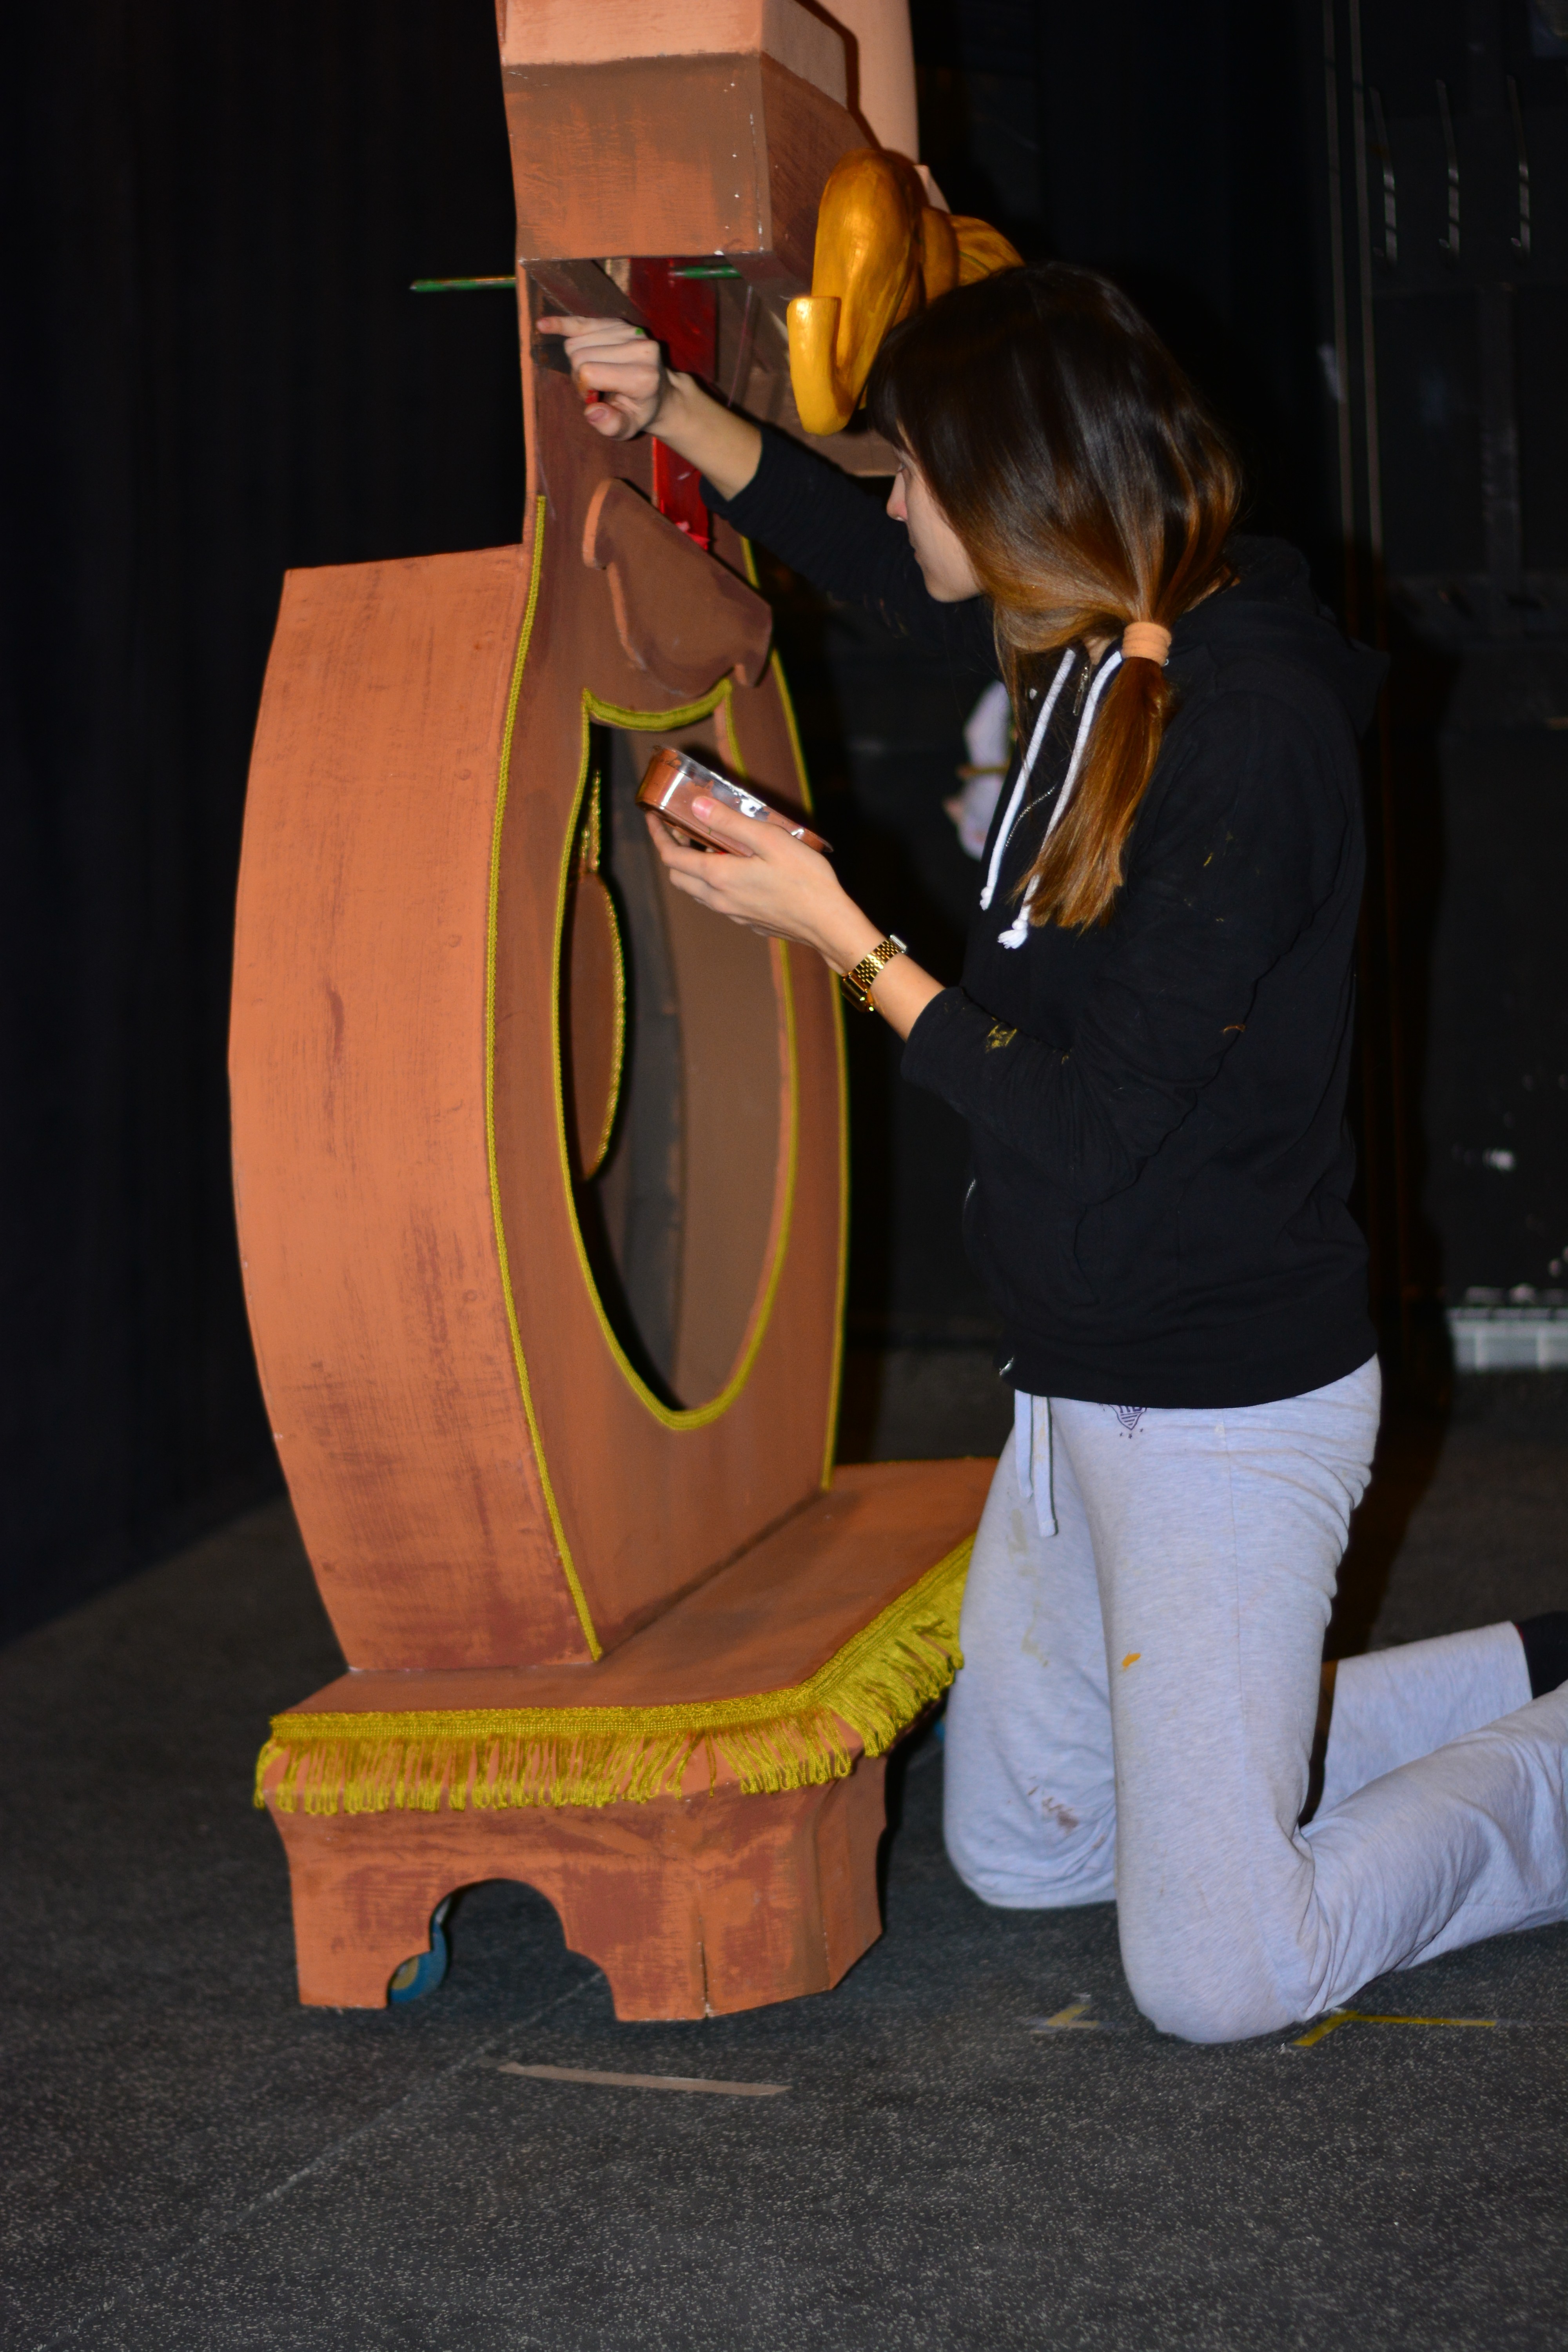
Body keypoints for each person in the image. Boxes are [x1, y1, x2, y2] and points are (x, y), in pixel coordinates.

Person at [539, 269, 1568, 2043]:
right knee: (1030, 1852)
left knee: (1221, 1977)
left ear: (1021, 491)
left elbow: (1096, 1125)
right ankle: (1523, 1663)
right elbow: (872, 567)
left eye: (919, 474)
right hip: (1076, 1375)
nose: (898, 506)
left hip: (1221, 1405)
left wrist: (844, 938)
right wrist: (678, 411)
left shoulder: (1245, 726)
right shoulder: (1100, 632)